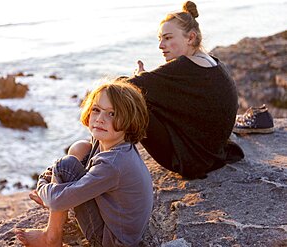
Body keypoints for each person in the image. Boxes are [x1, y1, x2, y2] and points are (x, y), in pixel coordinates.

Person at [15, 79, 153, 247]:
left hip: (111, 242)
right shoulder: (107, 142)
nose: (100, 119)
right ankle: (60, 206)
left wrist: (44, 189)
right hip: (115, 224)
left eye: (112, 114)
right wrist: (52, 189)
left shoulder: (114, 163)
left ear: (130, 120)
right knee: (80, 148)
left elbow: (57, 196)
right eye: (96, 110)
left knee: (65, 167)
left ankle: (51, 237)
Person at [127, 1, 244, 179]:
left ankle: (106, 164)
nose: (160, 45)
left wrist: (140, 78)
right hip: (210, 154)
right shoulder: (210, 62)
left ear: (190, 38)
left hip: (188, 159)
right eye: (160, 39)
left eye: (167, 38)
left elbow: (120, 87)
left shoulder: (183, 66)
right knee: (141, 94)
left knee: (129, 100)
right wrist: (145, 80)